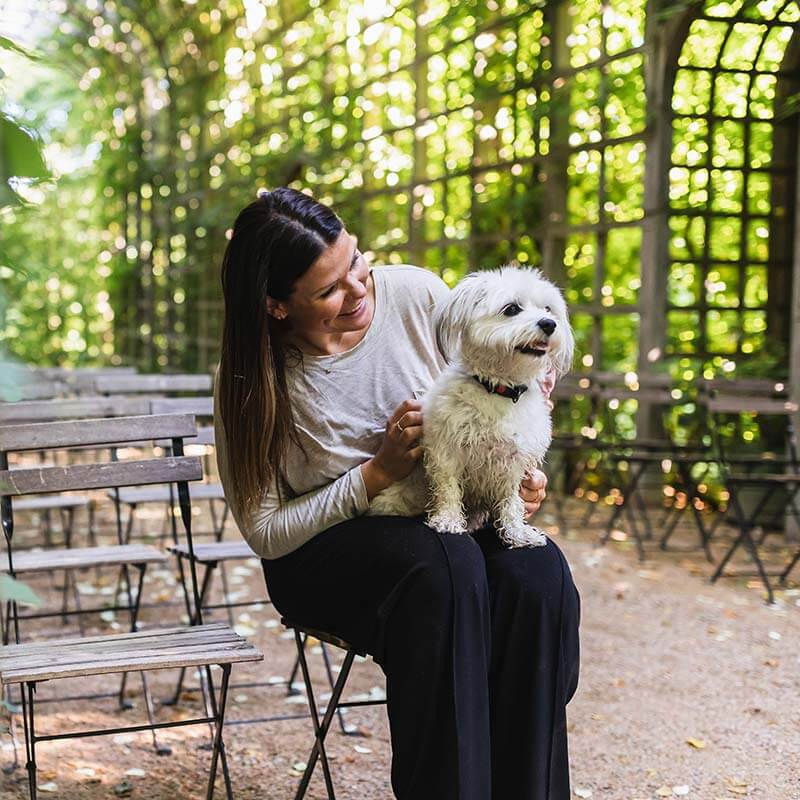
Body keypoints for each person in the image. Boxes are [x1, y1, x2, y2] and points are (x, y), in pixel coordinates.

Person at [214, 187, 581, 800]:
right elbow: (265, 533)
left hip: (442, 519)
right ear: (277, 307)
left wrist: (510, 472)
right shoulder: (254, 379)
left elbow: (509, 368)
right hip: (324, 553)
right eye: (329, 289)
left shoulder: (416, 293)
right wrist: (374, 475)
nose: (360, 290)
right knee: (443, 565)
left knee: (533, 572)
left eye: (356, 262)